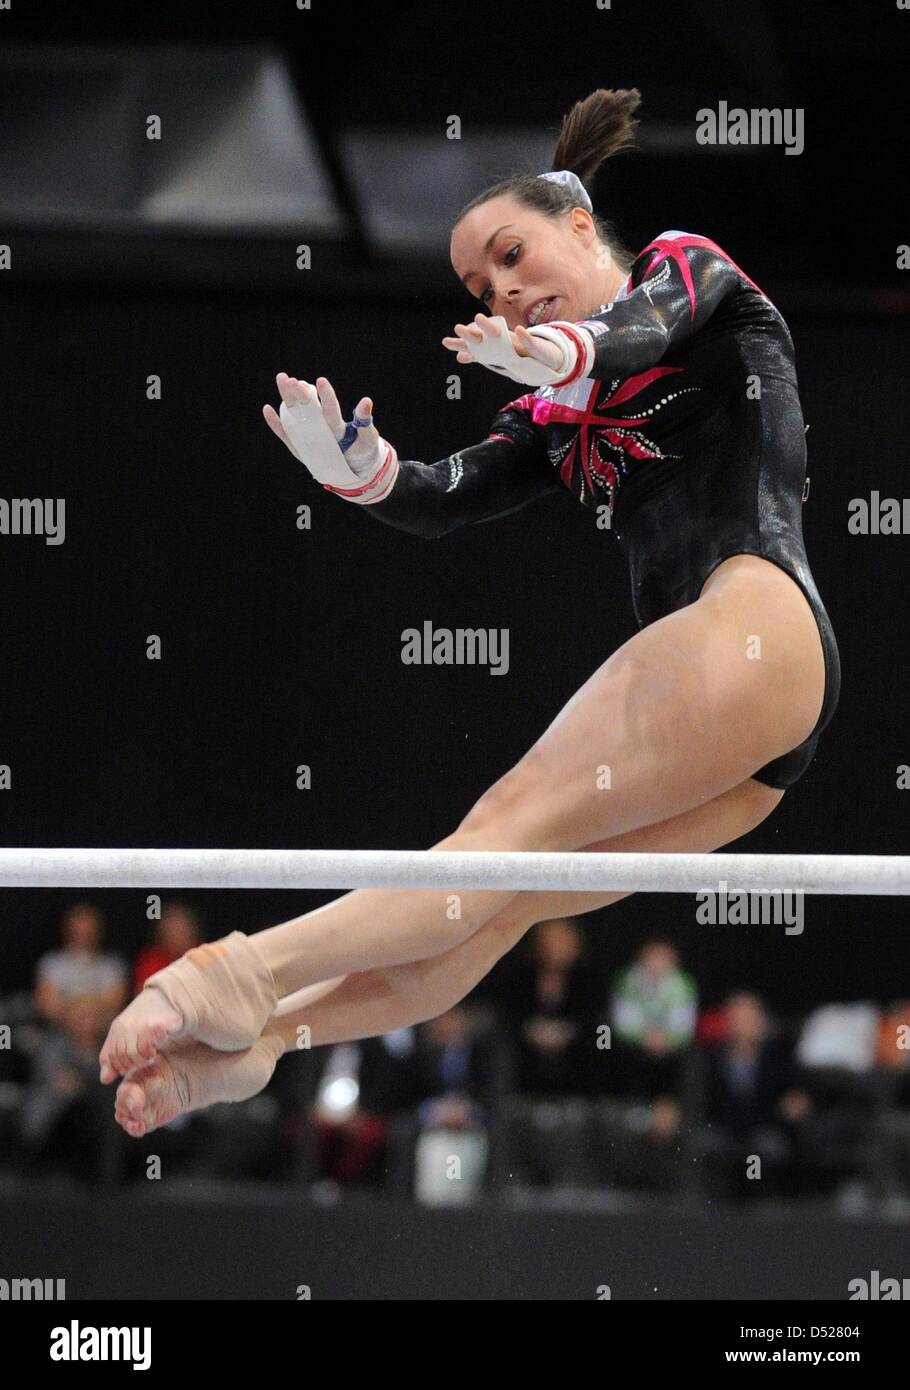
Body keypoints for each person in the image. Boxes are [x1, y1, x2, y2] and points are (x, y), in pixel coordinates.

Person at [98, 88, 841, 1139]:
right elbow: (444, 495)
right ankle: (266, 1040)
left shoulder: (689, 269)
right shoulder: (545, 411)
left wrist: (569, 357)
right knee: (498, 894)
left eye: (510, 255)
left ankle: (237, 970)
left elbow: (642, 328)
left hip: (757, 616)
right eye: (477, 284)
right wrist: (358, 473)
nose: (498, 291)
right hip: (750, 741)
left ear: (579, 225)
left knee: (500, 828)